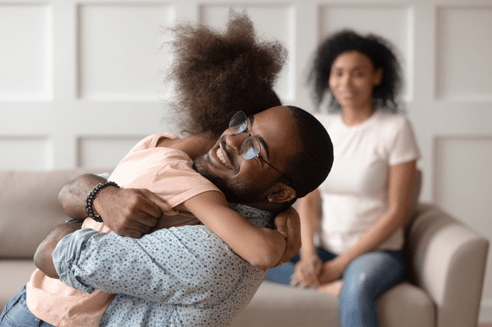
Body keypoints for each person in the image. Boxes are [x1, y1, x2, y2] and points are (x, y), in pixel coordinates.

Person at [1, 105, 334, 327]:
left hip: (44, 318)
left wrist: (90, 210)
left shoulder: (213, 251)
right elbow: (73, 191)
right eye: (242, 125)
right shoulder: (188, 171)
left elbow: (55, 252)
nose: (230, 139)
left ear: (278, 194)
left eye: (254, 148)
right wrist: (103, 196)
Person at [265, 29, 420, 327]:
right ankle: (324, 287)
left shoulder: (396, 128)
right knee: (256, 256)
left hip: (377, 253)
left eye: (358, 73)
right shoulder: (323, 126)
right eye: (338, 73)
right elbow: (309, 198)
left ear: (377, 76)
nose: (346, 82)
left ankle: (334, 284)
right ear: (328, 77)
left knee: (358, 284)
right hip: (324, 248)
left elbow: (398, 213)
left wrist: (339, 266)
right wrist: (309, 254)